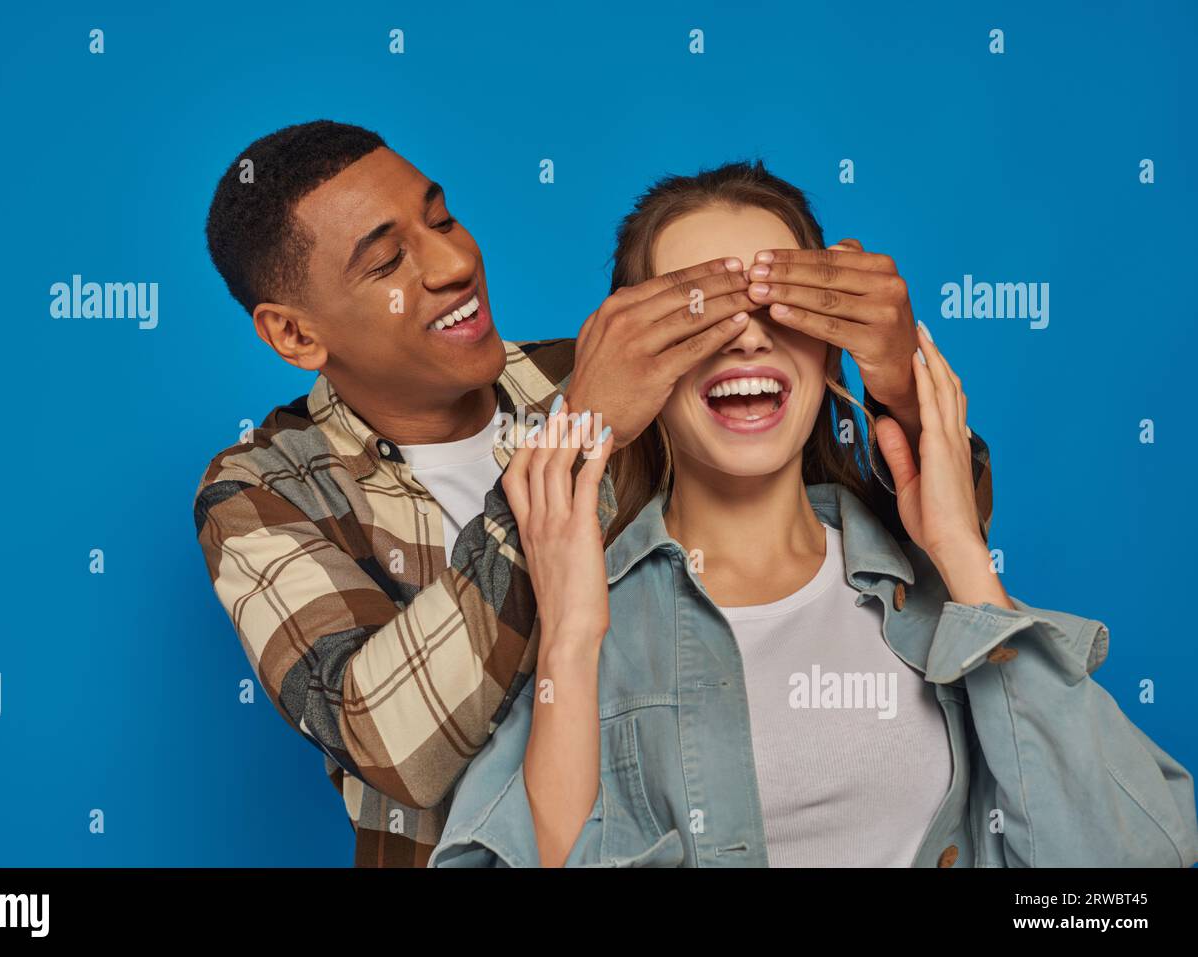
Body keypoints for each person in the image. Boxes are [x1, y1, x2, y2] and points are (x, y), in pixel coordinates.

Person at [192, 120, 989, 866]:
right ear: (295, 334)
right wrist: (578, 436)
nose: (451, 263)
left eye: (441, 219)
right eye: (386, 260)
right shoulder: (262, 491)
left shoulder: (598, 367)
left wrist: (898, 391)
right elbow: (392, 746)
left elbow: (910, 541)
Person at [430, 162, 1198, 867]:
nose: (747, 335)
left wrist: (963, 554)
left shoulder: (928, 596)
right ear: (644, 371)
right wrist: (568, 638)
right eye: (697, 313)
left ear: (832, 350)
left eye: (777, 303)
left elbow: (1121, 886)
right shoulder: (590, 618)